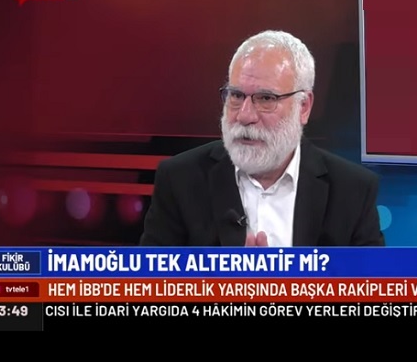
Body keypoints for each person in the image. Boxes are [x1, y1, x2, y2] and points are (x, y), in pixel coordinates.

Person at [139, 30, 384, 247]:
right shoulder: (180, 180)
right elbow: (152, 281)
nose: (244, 116)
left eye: (266, 99)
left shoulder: (352, 191)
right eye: (236, 96)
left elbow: (372, 283)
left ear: (303, 107)